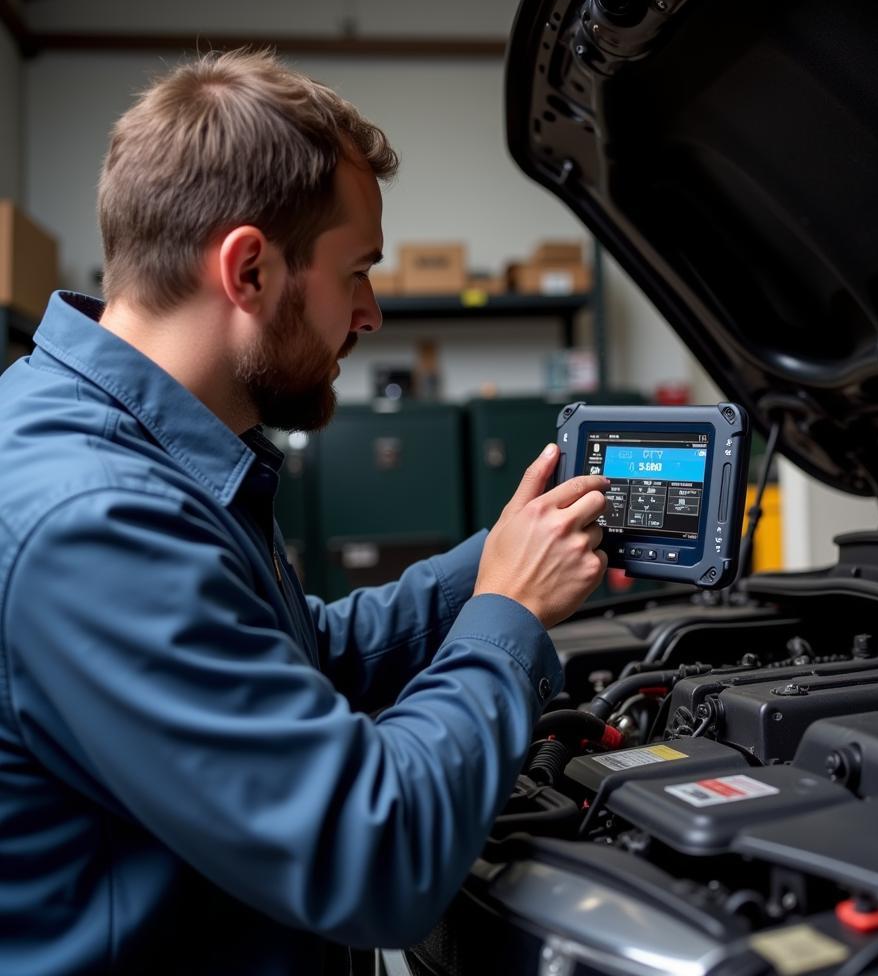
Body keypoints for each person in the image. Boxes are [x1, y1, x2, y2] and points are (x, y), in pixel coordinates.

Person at [0, 49, 609, 975]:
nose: (368, 314)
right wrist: (510, 617)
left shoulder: (140, 445)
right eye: (356, 270)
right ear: (247, 270)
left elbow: (297, 658)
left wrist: (500, 558)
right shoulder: (90, 520)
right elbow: (375, 851)